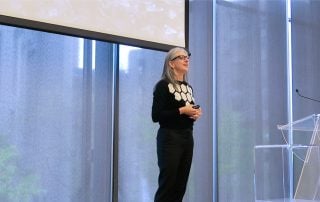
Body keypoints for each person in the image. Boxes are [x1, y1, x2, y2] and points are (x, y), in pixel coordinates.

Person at [152, 47, 202, 202]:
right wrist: (182, 110)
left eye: (187, 57)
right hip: (169, 138)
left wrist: (195, 113)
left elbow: (188, 111)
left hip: (187, 137)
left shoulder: (188, 88)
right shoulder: (162, 86)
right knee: (168, 185)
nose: (186, 59)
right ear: (171, 63)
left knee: (180, 186)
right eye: (181, 57)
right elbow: (156, 116)